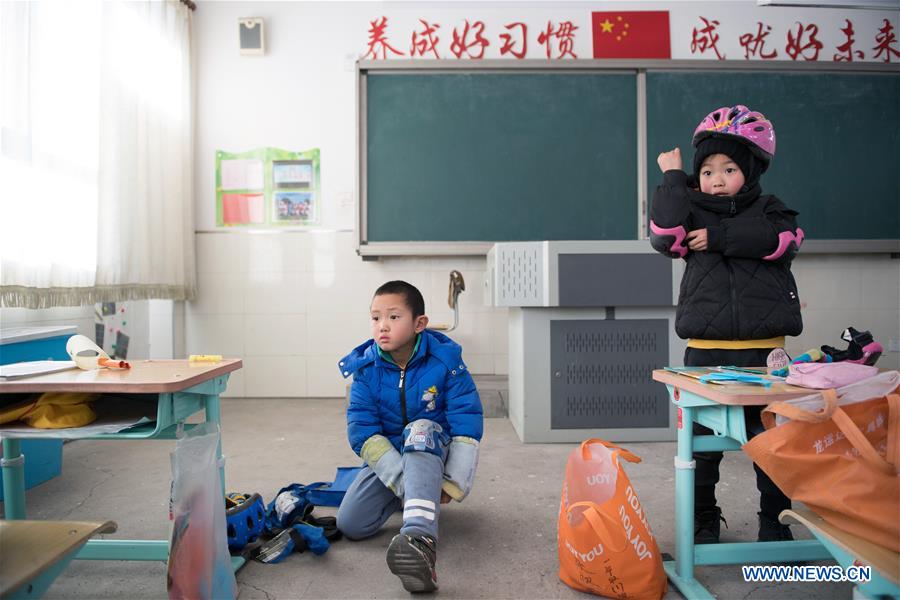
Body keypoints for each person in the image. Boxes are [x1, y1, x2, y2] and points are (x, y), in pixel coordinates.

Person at [649, 105, 804, 544]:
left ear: (751, 171)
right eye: (708, 170)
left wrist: (719, 239)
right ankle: (702, 520)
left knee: (773, 446)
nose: (716, 179)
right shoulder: (690, 211)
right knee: (700, 450)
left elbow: (783, 242)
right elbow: (664, 236)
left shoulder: (773, 210)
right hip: (705, 352)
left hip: (766, 353)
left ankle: (776, 521)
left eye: (730, 168)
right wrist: (675, 177)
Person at [336, 280, 483, 592]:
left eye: (393, 317)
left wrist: (452, 483)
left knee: (420, 430)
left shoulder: (446, 362)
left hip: (431, 446)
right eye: (376, 318)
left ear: (420, 324)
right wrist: (405, 484)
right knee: (350, 524)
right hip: (392, 454)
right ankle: (416, 495)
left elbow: (466, 421)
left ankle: (420, 539)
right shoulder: (366, 369)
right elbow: (363, 433)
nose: (382, 326)